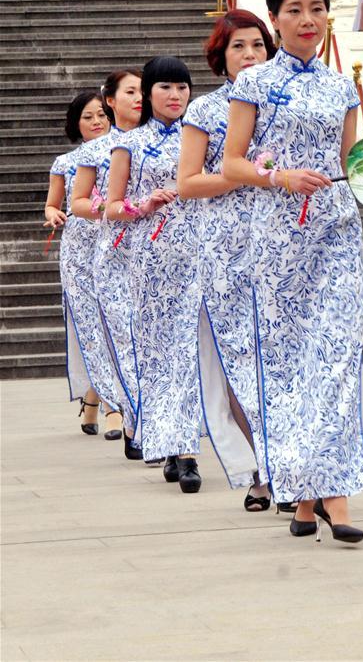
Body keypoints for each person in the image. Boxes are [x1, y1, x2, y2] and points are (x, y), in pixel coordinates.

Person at [223, 0, 363, 543]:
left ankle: (332, 499)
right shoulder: (255, 83)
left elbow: (350, 164)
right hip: (278, 236)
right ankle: (306, 496)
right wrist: (279, 176)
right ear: (274, 18)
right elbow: (233, 164)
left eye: (316, 7)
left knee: (336, 360)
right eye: (294, 9)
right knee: (290, 367)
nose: (307, 19)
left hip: (336, 233)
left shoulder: (342, 85)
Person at [177, 10, 278, 511]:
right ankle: (257, 469)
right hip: (225, 250)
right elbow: (188, 183)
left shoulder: (286, 103)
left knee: (280, 360)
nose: (250, 55)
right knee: (239, 362)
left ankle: (293, 468)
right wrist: (248, 174)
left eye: (257, 45)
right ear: (221, 56)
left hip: (284, 246)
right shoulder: (205, 111)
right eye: (238, 46)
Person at [106, 57, 213, 493]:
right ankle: (169, 440)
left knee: (190, 350)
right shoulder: (129, 146)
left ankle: (187, 452)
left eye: (183, 88)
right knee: (158, 353)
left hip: (199, 255)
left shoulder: (203, 137)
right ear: (148, 94)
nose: (176, 96)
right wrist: (143, 204)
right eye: (166, 87)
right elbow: (112, 208)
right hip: (150, 260)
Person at [71, 70, 144, 461]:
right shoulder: (94, 152)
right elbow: (78, 203)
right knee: (124, 340)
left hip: (162, 255)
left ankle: (159, 425)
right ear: (111, 100)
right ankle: (129, 417)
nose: (139, 97)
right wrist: (113, 207)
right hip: (114, 255)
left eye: (142, 90)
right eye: (130, 91)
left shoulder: (169, 140)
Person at [44, 91, 124, 439]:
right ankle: (109, 406)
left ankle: (99, 402)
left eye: (101, 116)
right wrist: (54, 213)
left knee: (115, 323)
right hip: (79, 250)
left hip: (117, 244)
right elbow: (52, 203)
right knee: (91, 327)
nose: (96, 122)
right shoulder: (65, 162)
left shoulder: (125, 152)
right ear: (77, 123)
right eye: (88, 117)